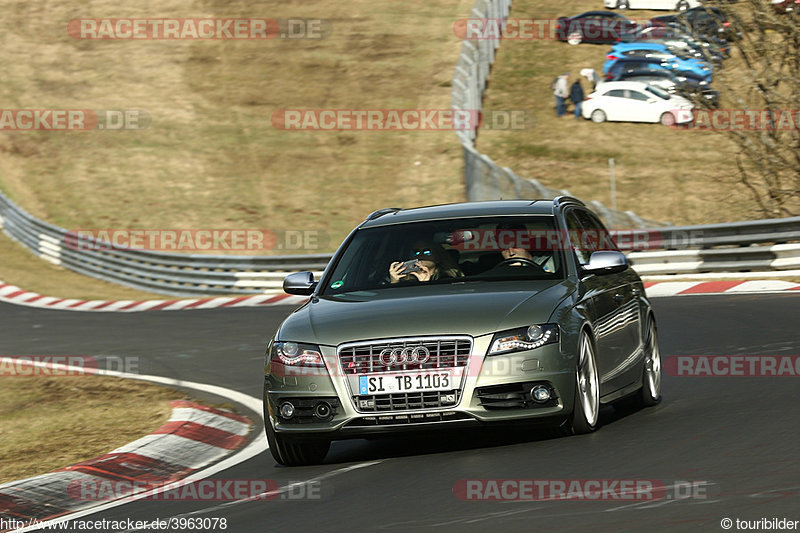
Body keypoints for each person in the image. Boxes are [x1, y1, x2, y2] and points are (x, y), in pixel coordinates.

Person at [388, 241, 463, 283]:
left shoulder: (447, 279)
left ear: (438, 258)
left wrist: (425, 284)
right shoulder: (405, 281)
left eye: (427, 252)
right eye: (415, 252)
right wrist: (394, 282)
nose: (420, 255)